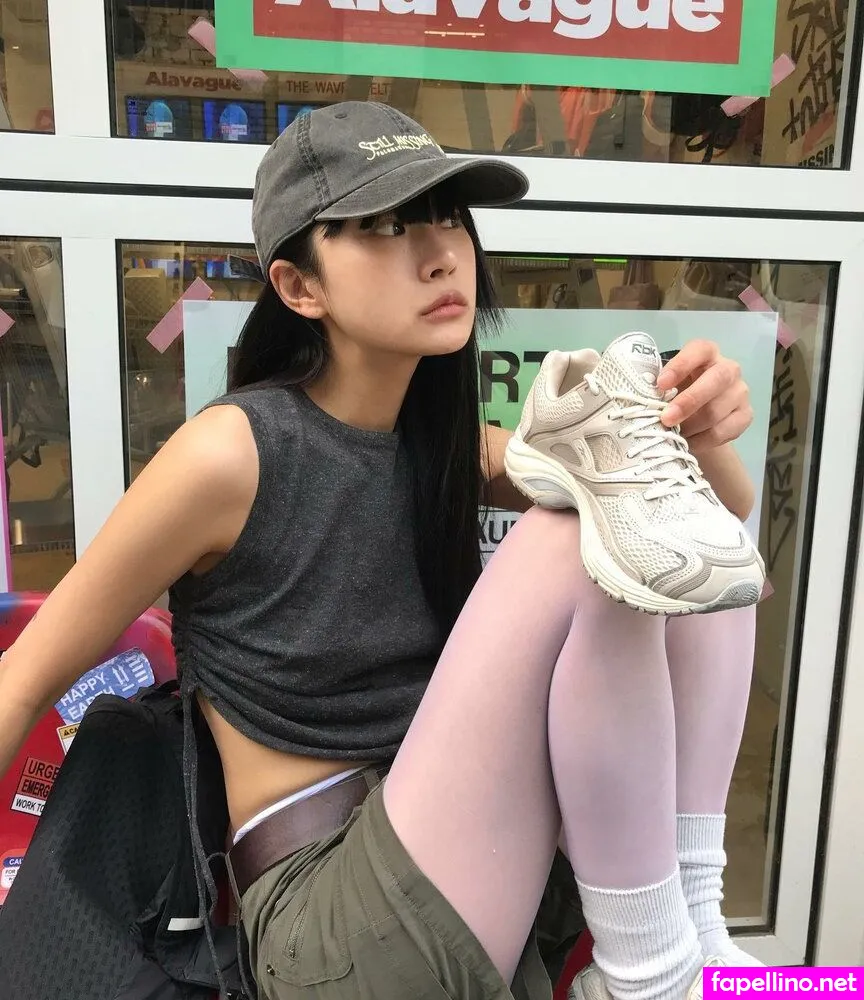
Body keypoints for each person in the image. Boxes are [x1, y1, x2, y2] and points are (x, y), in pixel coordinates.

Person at [0, 102, 761, 1000]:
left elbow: (714, 535)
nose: (439, 254)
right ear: (300, 287)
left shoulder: (447, 444)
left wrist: (697, 429)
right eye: (385, 228)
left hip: (473, 863)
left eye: (446, 219)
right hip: (327, 921)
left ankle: (694, 920)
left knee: (647, 524)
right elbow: (27, 677)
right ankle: (650, 970)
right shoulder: (231, 453)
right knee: (574, 533)